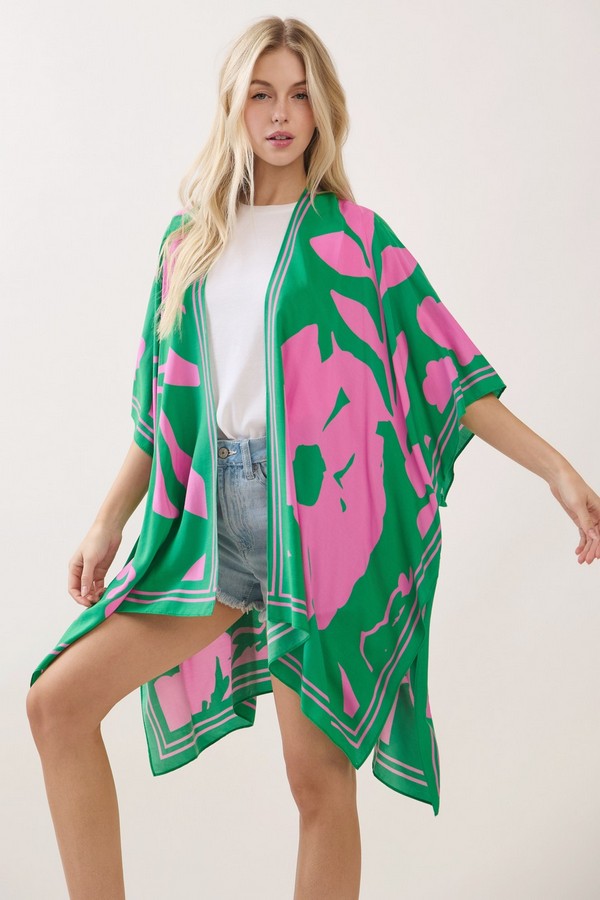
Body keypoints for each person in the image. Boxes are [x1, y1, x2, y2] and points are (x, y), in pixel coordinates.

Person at [26, 15, 600, 900]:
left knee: (317, 780)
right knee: (56, 704)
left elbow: (451, 375)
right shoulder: (187, 245)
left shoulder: (356, 240)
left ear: (322, 109)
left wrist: (558, 469)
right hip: (207, 530)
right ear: (233, 106)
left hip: (320, 529)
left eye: (299, 95)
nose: (280, 114)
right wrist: (107, 522)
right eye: (261, 94)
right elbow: (158, 416)